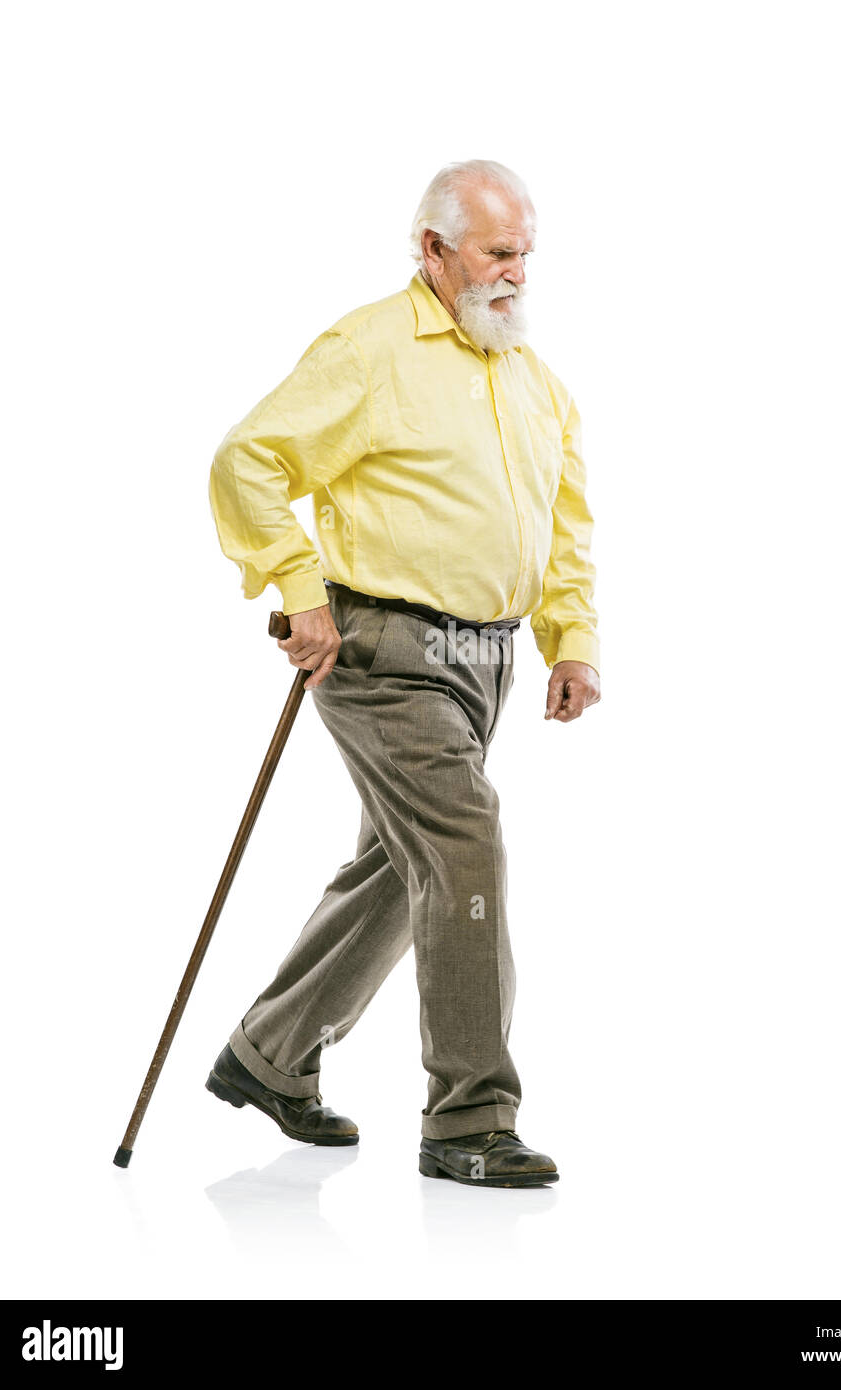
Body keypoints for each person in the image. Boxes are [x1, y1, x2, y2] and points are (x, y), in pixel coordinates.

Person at [205, 159, 601, 1188]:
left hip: (488, 661)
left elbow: (567, 527)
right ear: (431, 249)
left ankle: (269, 1055)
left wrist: (572, 640)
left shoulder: (534, 379)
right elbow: (248, 460)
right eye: (496, 253)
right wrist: (296, 586)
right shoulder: (370, 351)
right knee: (464, 846)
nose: (516, 274)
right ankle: (470, 1115)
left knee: (404, 863)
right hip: (383, 650)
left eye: (526, 254)